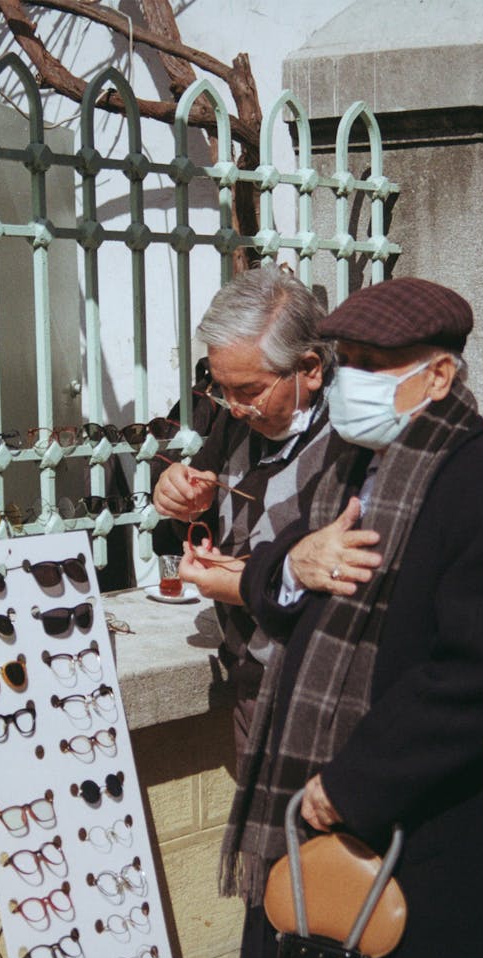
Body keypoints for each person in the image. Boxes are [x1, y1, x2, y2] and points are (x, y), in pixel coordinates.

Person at [221, 277, 483, 958]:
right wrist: (291, 568)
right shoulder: (347, 465)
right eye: (345, 363)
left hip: (435, 839)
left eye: (376, 365)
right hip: (341, 832)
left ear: (439, 376)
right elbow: (278, 570)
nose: (349, 382)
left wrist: (350, 783)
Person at [152, 265, 346, 765]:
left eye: (249, 390)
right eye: (222, 389)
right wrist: (181, 499)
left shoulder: (352, 446)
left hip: (325, 696)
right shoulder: (235, 421)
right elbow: (206, 512)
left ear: (310, 368)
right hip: (251, 681)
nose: (234, 407)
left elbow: (351, 590)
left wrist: (244, 585)